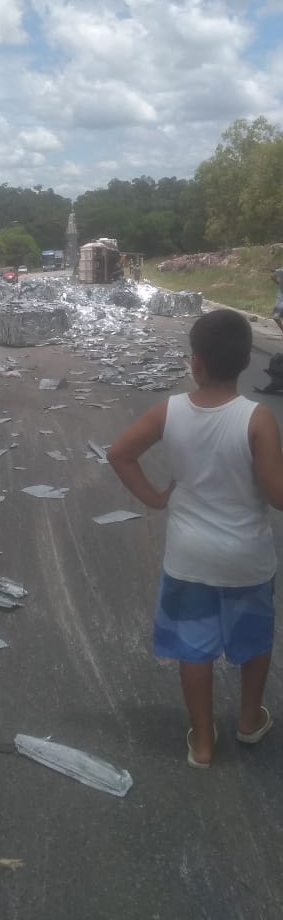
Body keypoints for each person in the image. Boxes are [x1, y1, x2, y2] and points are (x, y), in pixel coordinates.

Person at [108, 309, 280, 769]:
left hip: (189, 561)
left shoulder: (170, 411)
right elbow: (277, 496)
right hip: (247, 560)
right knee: (254, 642)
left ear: (195, 363)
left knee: (194, 650)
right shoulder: (257, 418)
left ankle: (202, 743)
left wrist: (155, 498)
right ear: (246, 361)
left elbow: (120, 453)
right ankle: (248, 720)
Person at [270, 267, 283, 334]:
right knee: (275, 316)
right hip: (280, 298)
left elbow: (272, 275)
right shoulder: (281, 271)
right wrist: (278, 283)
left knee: (276, 316)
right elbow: (272, 275)